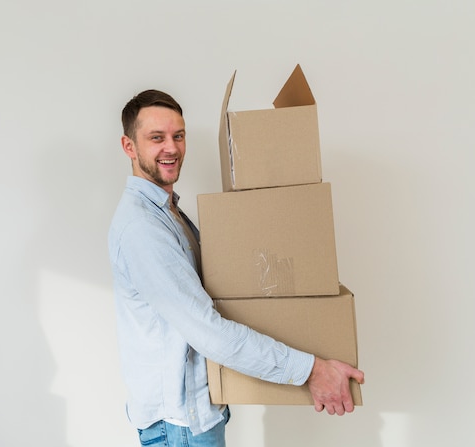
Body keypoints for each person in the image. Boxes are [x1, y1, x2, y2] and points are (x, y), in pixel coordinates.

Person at [108, 89, 364, 447]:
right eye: (156, 138)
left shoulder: (169, 215)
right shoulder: (143, 230)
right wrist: (311, 369)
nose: (171, 148)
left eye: (178, 136)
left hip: (195, 418)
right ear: (129, 146)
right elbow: (208, 332)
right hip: (180, 428)